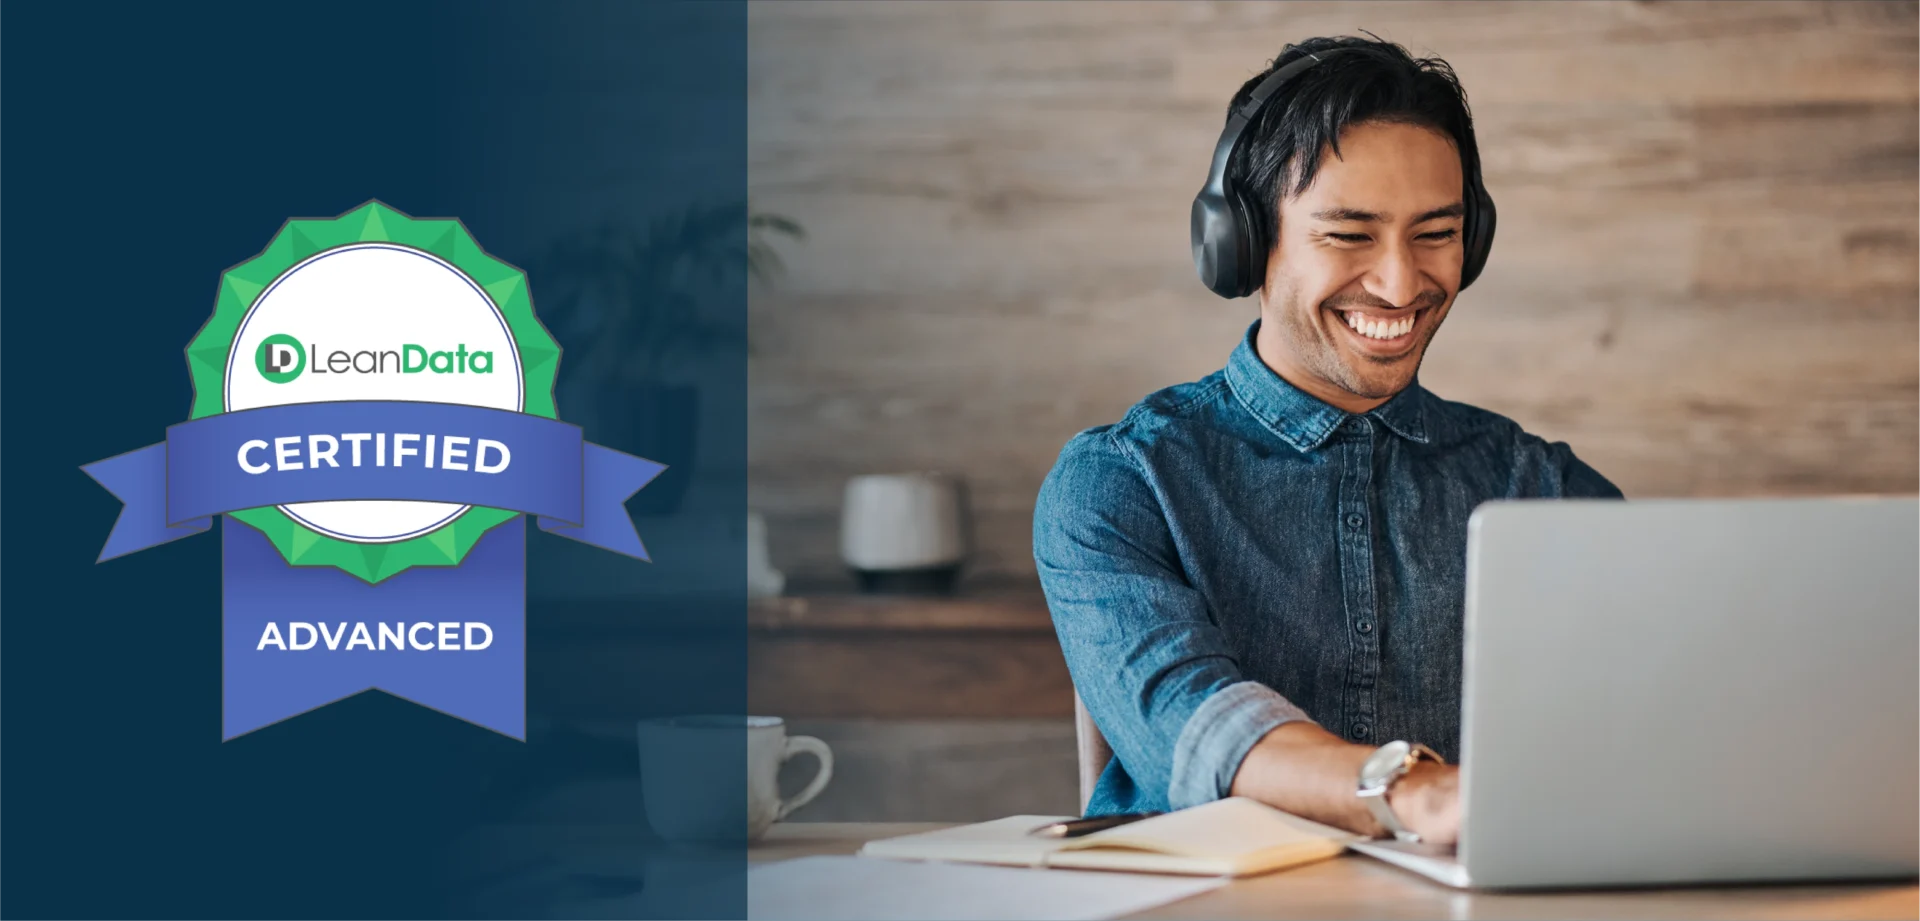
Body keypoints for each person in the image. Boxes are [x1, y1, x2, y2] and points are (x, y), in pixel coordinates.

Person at [1032, 35, 1621, 845]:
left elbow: (1664, 700)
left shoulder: (1539, 485)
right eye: (1349, 234)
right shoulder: (1122, 481)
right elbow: (1198, 724)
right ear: (1242, 241)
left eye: (1435, 233)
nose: (1401, 283)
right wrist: (1413, 793)